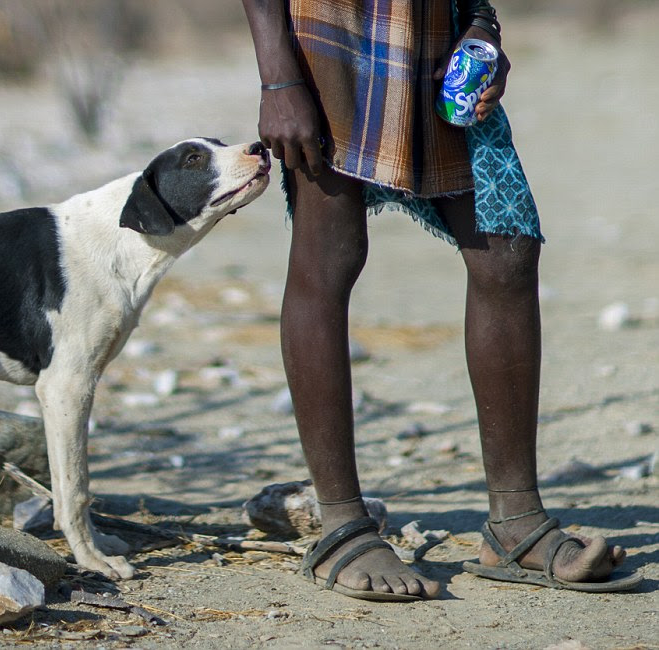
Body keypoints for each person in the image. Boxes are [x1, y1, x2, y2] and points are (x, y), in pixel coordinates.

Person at [241, 0, 638, 600]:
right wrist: (277, 75)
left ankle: (515, 523)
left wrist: (482, 26)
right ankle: (343, 526)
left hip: (436, 38)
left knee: (508, 248)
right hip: (329, 34)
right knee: (331, 254)